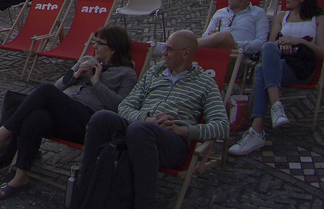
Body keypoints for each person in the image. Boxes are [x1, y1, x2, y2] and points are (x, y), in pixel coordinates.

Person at [0, 25, 138, 199]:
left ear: (113, 49)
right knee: (35, 117)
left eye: (100, 44)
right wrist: (76, 75)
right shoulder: (87, 59)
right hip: (64, 112)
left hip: (88, 121)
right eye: (95, 42)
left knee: (43, 91)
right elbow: (59, 86)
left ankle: (0, 137)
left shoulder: (127, 73)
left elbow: (120, 106)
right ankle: (20, 177)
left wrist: (97, 83)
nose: (95, 47)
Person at [74, 30, 228, 209]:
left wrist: (183, 130)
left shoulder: (205, 83)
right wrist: (145, 119)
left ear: (186, 53)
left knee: (139, 131)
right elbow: (125, 106)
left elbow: (222, 126)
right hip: (140, 129)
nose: (163, 53)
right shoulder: (154, 74)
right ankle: (83, 198)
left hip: (172, 141)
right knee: (101, 118)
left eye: (169, 50)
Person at [229, 0, 324, 155]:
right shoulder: (280, 16)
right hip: (280, 63)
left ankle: (257, 132)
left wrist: (297, 42)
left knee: (262, 69)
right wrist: (280, 44)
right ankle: (274, 109)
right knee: (268, 51)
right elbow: (268, 48)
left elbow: (323, 53)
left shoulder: (318, 18)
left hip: (302, 67)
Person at [198, 0, 269, 54]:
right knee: (186, 36)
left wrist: (235, 45)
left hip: (238, 56)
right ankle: (188, 45)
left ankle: (189, 46)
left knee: (225, 36)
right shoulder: (220, 13)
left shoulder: (258, 13)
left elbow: (261, 43)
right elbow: (204, 38)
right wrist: (212, 37)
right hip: (215, 54)